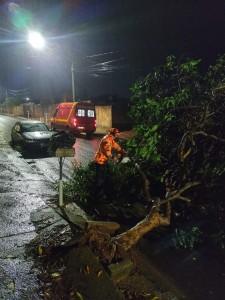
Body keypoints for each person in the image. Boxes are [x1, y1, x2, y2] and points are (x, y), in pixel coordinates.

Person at [94, 128, 126, 199]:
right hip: (100, 161)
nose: (117, 135)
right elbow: (107, 152)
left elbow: (116, 145)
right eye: (116, 134)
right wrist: (114, 157)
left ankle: (102, 194)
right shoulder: (107, 140)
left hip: (103, 161)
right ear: (113, 134)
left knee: (105, 177)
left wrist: (122, 150)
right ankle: (97, 196)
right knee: (100, 179)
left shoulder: (110, 139)